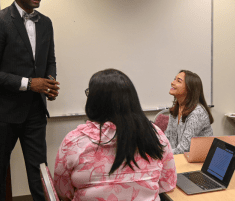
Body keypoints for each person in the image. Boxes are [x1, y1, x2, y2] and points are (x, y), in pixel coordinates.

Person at [0, 0, 59, 201]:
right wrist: (29, 83)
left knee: (39, 170)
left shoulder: (46, 23)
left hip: (35, 111)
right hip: (3, 112)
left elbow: (49, 59)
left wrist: (49, 83)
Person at [53, 69, 177, 201]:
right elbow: (167, 184)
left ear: (94, 101)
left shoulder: (75, 140)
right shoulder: (155, 134)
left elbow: (63, 191)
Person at [165, 70, 213, 154]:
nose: (172, 83)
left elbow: (184, 149)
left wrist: (161, 154)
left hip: (198, 162)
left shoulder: (197, 113)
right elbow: (168, 138)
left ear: (189, 89)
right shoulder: (176, 109)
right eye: (174, 79)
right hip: (180, 159)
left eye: (178, 81)